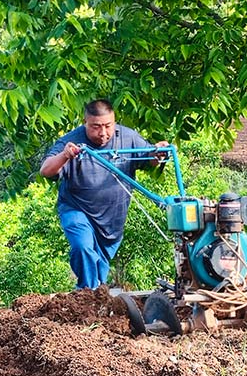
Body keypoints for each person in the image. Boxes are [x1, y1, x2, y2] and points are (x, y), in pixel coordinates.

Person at [39, 99, 169, 290]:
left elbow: (148, 158)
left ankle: (94, 302)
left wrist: (158, 153)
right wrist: (65, 155)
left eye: (108, 126)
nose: (103, 133)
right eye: (96, 127)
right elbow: (46, 170)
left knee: (100, 271)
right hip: (77, 210)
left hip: (112, 221)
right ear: (85, 123)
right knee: (83, 248)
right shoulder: (71, 141)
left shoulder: (127, 137)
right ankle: (87, 295)